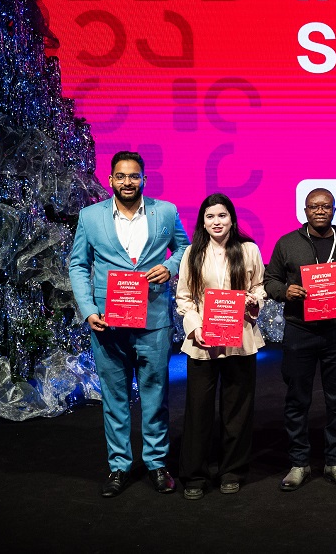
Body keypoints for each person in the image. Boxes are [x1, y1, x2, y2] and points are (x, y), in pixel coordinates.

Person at [69, 150, 190, 498]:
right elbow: (78, 265)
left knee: (156, 395)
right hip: (107, 322)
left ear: (144, 179)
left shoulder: (165, 211)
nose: (127, 182)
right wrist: (88, 309)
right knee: (115, 397)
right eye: (120, 176)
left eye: (134, 176)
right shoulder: (90, 216)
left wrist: (171, 266)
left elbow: (185, 248)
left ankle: (156, 463)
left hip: (153, 320)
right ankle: (119, 466)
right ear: (110, 180)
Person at [264, 188, 336, 491]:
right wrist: (285, 291)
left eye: (326, 206)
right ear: (305, 210)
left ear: (335, 209)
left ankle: (335, 461)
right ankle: (299, 463)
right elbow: (270, 280)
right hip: (300, 331)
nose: (320, 211)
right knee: (297, 399)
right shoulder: (287, 243)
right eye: (314, 206)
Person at [174, 193, 266, 500]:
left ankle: (232, 471)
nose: (217, 222)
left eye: (222, 215)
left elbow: (259, 287)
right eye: (210, 216)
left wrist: (254, 301)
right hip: (203, 342)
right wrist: (195, 327)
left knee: (237, 410)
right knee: (198, 410)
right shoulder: (193, 253)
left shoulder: (249, 250)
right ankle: (194, 474)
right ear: (203, 222)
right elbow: (185, 297)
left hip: (241, 340)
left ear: (232, 219)